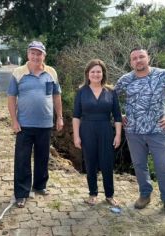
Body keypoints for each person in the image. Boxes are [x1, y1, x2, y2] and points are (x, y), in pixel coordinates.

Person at [114, 47, 165, 217]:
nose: (138, 60)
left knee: (163, 167)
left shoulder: (163, 75)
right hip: (133, 131)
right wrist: (119, 115)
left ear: (148, 58)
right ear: (130, 62)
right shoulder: (125, 80)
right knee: (139, 165)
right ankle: (145, 195)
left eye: (141, 57)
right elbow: (109, 98)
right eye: (134, 58)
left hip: (157, 130)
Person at [7, 41, 64, 208]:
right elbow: (11, 98)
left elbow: (56, 96)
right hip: (24, 124)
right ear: (28, 55)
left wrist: (59, 117)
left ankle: (40, 186)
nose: (36, 56)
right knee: (22, 159)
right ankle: (22, 193)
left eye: (39, 53)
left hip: (45, 124)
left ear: (43, 56)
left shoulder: (51, 72)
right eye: (33, 53)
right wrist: (14, 120)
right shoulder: (18, 73)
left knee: (42, 157)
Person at [72, 59, 122, 206]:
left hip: (106, 129)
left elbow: (117, 116)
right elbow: (76, 116)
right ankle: (92, 193)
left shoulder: (111, 92)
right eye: (92, 71)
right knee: (90, 162)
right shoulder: (81, 92)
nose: (96, 74)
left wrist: (118, 135)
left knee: (107, 162)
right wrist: (76, 136)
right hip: (86, 129)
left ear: (103, 74)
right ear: (88, 74)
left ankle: (109, 195)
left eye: (98, 71)